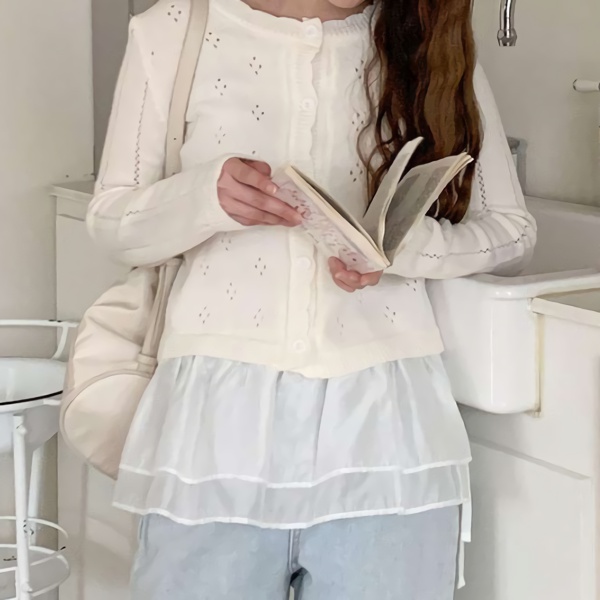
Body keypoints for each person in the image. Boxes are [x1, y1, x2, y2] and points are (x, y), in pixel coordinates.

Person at [87, 0, 536, 598]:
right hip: (215, 432)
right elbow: (110, 221)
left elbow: (512, 229)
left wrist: (406, 248)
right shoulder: (173, 29)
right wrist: (205, 198)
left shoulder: (427, 40)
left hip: (387, 431)